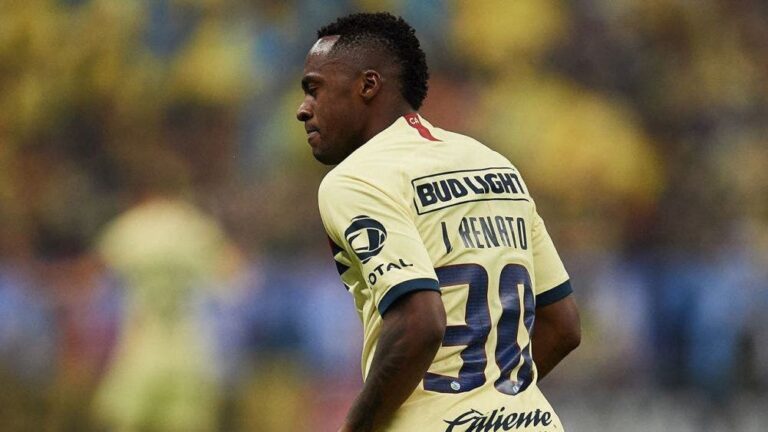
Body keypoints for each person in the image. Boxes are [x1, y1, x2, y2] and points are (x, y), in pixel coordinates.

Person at [296, 12, 581, 432]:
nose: (303, 109)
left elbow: (420, 322)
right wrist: (490, 398)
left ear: (368, 85)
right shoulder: (495, 166)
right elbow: (563, 325)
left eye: (314, 89)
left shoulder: (356, 179)